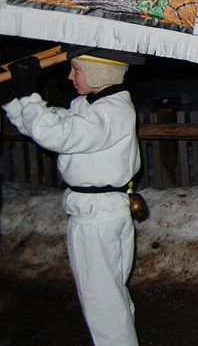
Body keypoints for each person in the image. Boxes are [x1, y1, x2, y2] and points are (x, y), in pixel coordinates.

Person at [3, 49, 141, 346]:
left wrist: (28, 91)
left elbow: (56, 135)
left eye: (75, 69)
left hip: (97, 218)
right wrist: (13, 100)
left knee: (101, 301)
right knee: (111, 296)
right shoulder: (92, 105)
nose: (69, 76)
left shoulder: (111, 110)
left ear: (98, 73)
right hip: (101, 212)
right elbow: (44, 125)